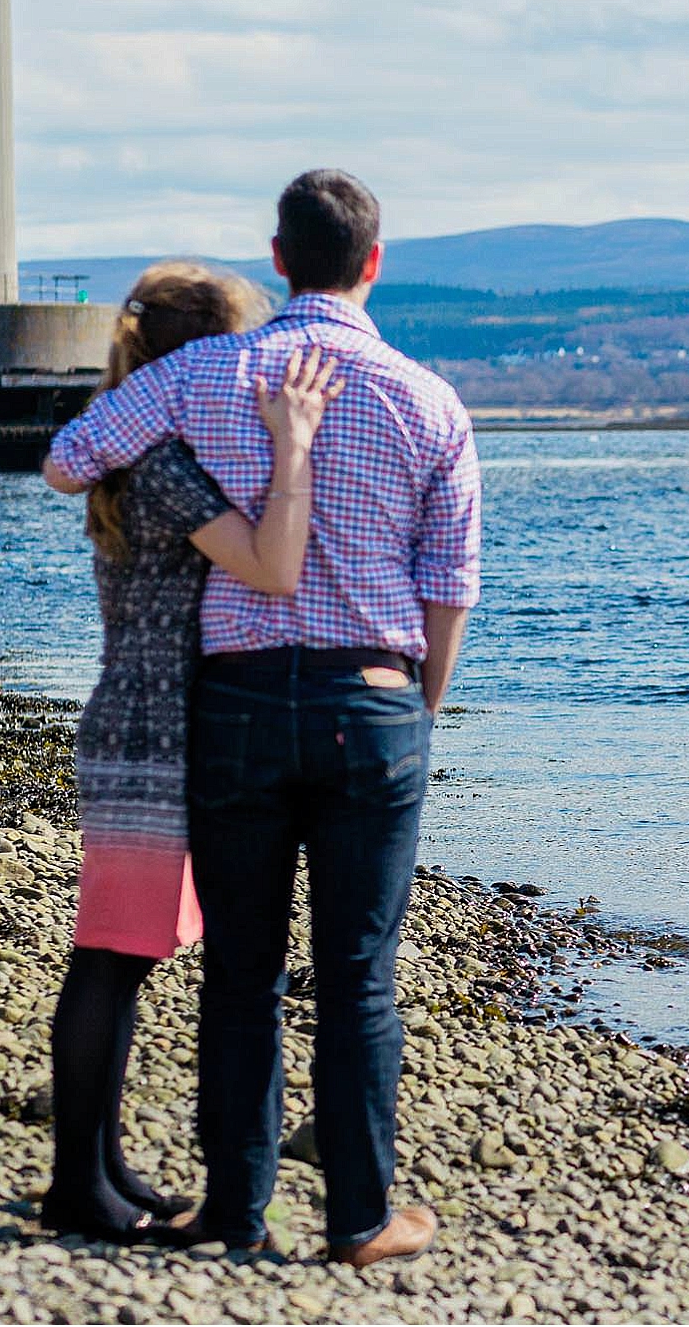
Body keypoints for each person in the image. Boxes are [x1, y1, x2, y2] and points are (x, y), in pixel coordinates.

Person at [43, 168, 481, 1267]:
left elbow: (64, 460)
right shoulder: (431, 401)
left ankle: (236, 1211)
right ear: (374, 262)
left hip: (234, 700)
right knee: (359, 976)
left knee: (243, 972)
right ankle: (359, 1217)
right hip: (371, 699)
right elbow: (450, 583)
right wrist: (416, 715)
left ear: (277, 260)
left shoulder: (198, 371)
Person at [43, 262, 344, 1244]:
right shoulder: (167, 466)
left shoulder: (137, 450)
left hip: (140, 721)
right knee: (109, 958)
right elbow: (263, 563)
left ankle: (102, 1161)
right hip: (151, 732)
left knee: (122, 957)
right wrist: (293, 455)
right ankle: (74, 1185)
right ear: (201, 360)